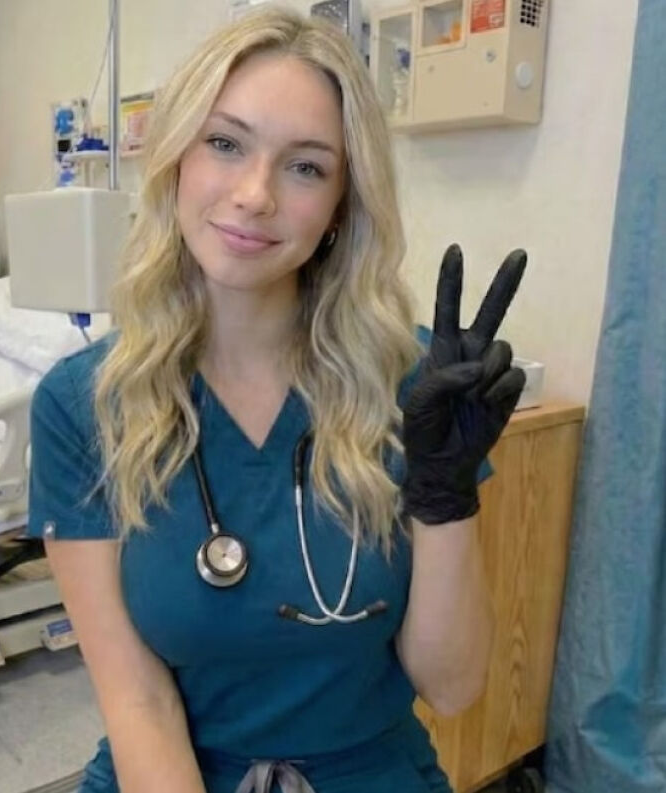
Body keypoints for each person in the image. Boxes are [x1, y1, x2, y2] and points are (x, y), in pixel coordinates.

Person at [27, 6, 527, 793]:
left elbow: (455, 686)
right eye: (225, 143)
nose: (254, 194)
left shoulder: (416, 387)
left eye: (306, 167)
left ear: (339, 207)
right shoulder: (83, 405)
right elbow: (138, 701)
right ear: (177, 160)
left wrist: (447, 498)